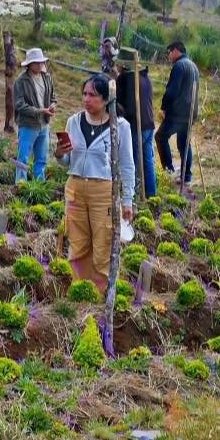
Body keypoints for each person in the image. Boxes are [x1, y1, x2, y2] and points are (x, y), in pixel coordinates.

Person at [55, 74, 137, 294]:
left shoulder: (120, 126)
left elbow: (127, 166)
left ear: (105, 99)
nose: (86, 99)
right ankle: (79, 291)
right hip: (75, 189)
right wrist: (60, 154)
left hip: (104, 192)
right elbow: (67, 161)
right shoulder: (74, 121)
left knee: (103, 246)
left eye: (92, 95)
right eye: (84, 94)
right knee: (77, 244)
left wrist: (128, 200)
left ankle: (100, 296)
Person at [154, 40, 200, 186]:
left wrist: (164, 108)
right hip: (190, 112)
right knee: (184, 143)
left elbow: (172, 91)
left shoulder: (179, 66)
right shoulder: (193, 66)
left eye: (169, 52)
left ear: (176, 50)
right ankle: (186, 176)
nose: (169, 56)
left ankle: (168, 171)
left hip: (178, 113)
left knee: (160, 136)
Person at [115, 46, 157, 197]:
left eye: (118, 63)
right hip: (149, 124)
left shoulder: (124, 78)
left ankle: (132, 194)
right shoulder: (144, 76)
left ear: (124, 65)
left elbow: (119, 104)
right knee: (147, 160)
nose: (116, 66)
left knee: (131, 160)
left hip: (134, 125)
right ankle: (150, 193)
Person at [12, 47, 56, 182]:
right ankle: (20, 186)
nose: (40, 65)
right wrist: (39, 111)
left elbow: (53, 97)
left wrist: (53, 105)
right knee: (23, 158)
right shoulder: (21, 81)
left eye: (41, 62)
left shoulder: (46, 77)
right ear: (29, 64)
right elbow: (19, 105)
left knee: (41, 159)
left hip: (44, 124)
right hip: (28, 125)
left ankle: (39, 186)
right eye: (36, 62)